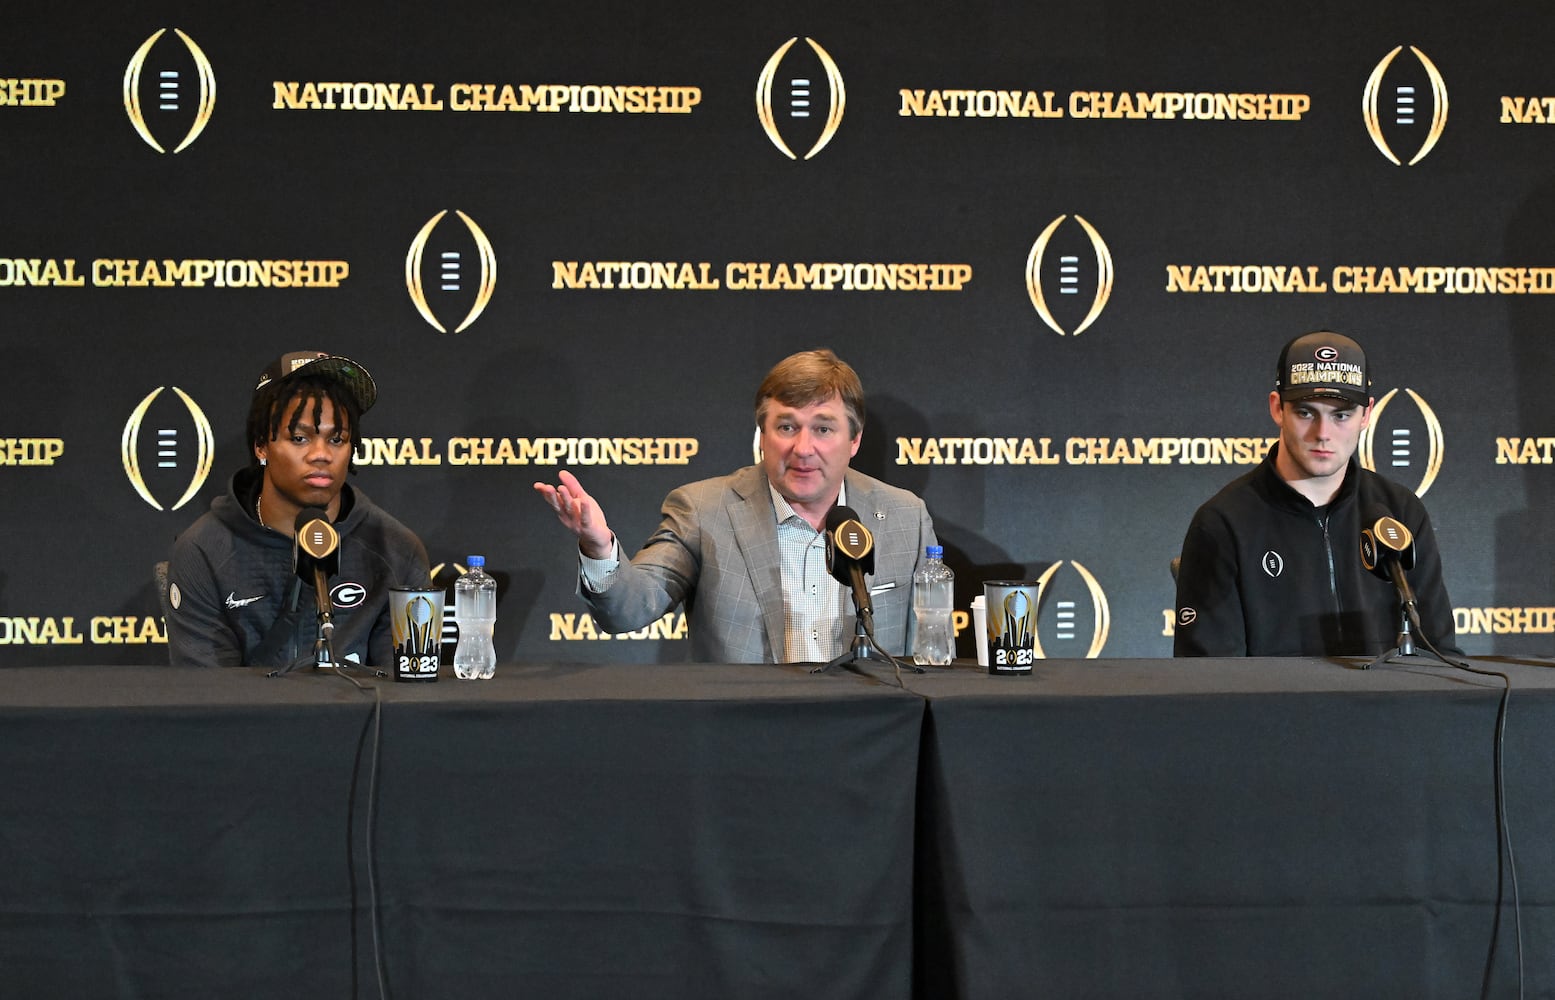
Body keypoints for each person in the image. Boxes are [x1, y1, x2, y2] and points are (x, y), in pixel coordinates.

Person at [534, 348, 937, 663]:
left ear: (854, 440)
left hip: (870, 742)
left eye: (823, 429)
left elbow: (932, 655)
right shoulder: (703, 509)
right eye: (786, 427)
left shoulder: (905, 517)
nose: (803, 448)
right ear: (762, 436)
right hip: (744, 740)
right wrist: (599, 547)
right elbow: (627, 611)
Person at [1173, 330, 1459, 657]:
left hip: (1386, 707)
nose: (1323, 434)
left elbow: (1440, 654)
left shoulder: (1400, 511)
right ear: (1277, 408)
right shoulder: (1224, 522)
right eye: (1306, 413)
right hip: (1272, 708)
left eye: (1341, 415)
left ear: (1366, 414)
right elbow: (1209, 680)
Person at [165, 351, 430, 668]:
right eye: (300, 437)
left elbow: (407, 696)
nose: (321, 454)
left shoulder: (396, 549)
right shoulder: (204, 551)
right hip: (250, 718)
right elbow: (208, 703)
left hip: (361, 718)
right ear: (261, 445)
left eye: (337, 439)